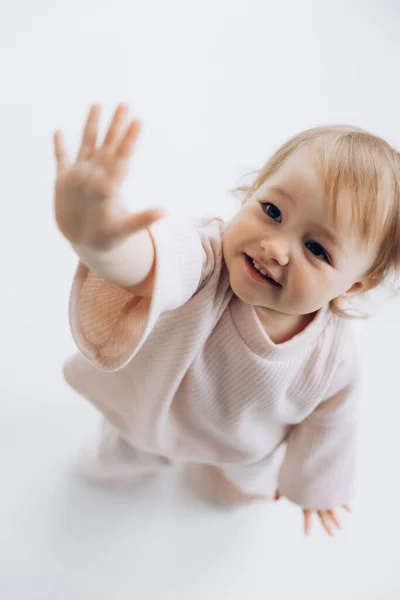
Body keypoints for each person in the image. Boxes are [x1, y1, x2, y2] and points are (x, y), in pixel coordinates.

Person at [53, 104, 400, 536]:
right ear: (252, 191)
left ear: (352, 286)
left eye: (317, 249)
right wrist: (99, 239)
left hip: (242, 448)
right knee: (122, 452)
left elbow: (332, 421)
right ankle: (100, 489)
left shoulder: (333, 355)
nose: (275, 248)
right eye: (272, 211)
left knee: (241, 490)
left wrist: (316, 485)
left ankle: (227, 493)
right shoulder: (207, 258)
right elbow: (149, 262)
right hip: (154, 411)